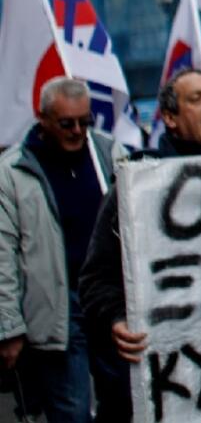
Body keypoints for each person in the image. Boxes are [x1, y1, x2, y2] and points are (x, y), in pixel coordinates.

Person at [79, 69, 201, 421]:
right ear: (171, 119)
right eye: (197, 99)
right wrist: (115, 319)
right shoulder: (138, 187)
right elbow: (95, 281)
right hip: (170, 383)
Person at [0, 77, 124, 422]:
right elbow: (2, 255)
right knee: (72, 410)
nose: (77, 131)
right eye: (66, 123)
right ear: (43, 119)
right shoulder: (12, 172)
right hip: (58, 305)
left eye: (85, 122)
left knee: (123, 400)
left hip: (109, 298)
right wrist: (8, 328)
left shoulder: (109, 154)